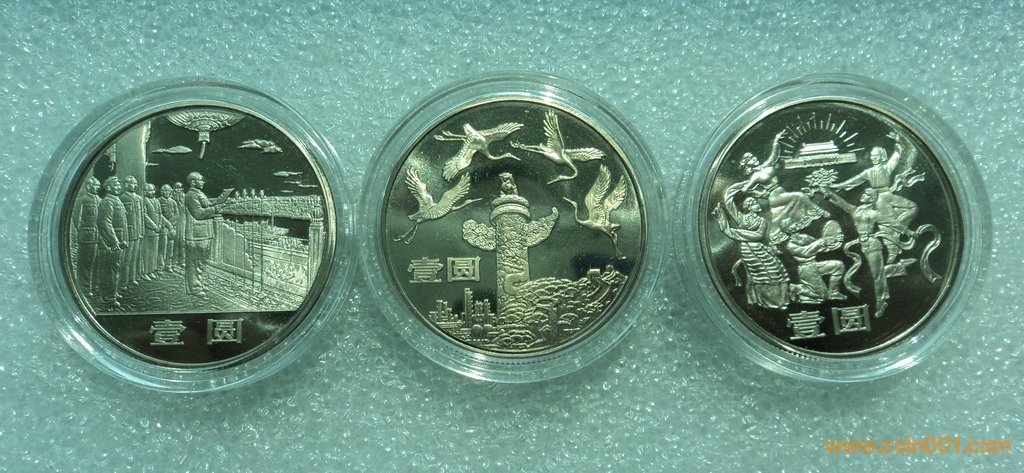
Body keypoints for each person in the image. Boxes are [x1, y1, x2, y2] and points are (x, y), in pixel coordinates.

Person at [833, 136, 919, 262]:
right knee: (885, 225)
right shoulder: (868, 172)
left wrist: (898, 141)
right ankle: (892, 251)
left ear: (882, 156)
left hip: (888, 194)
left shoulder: (887, 168)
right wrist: (836, 186)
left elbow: (896, 156)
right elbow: (853, 181)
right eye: (872, 155)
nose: (873, 158)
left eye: (876, 155)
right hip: (879, 198)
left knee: (913, 207)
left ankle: (899, 227)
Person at [739, 130, 827, 236]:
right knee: (799, 195)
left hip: (781, 192)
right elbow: (744, 190)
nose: (753, 159)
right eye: (750, 159)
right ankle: (821, 212)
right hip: (774, 196)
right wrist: (761, 194)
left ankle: (799, 224)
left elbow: (774, 156)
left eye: (753, 157)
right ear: (747, 164)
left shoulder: (766, 165)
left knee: (796, 200)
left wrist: (776, 141)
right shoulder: (755, 176)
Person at [713, 195, 790, 310]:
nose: (757, 204)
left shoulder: (762, 221)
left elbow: (759, 236)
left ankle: (781, 300)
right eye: (754, 203)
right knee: (760, 274)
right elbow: (729, 204)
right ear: (749, 207)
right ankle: (767, 302)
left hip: (759, 248)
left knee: (776, 269)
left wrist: (736, 232)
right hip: (748, 251)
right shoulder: (742, 218)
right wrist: (734, 190)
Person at [183, 172, 230, 296]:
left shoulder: (199, 193)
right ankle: (194, 288)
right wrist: (214, 209)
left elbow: (208, 206)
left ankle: (199, 284)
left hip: (203, 233)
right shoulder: (190, 195)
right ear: (193, 182)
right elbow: (198, 213)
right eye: (201, 180)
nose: (203, 182)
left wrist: (221, 199)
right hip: (196, 235)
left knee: (201, 261)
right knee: (194, 262)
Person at [782, 218, 846, 304]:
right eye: (792, 223)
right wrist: (822, 242)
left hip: (814, 264)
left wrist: (834, 242)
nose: (796, 224)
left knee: (838, 266)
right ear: (788, 229)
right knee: (821, 297)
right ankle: (796, 288)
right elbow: (806, 252)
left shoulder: (804, 237)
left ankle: (834, 293)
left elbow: (821, 247)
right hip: (806, 269)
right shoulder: (789, 245)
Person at [95, 177, 129, 308]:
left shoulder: (115, 200)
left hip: (118, 243)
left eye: (119, 185)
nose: (119, 187)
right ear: (109, 188)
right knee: (109, 270)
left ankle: (112, 292)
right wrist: (113, 242)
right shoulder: (107, 202)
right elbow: (104, 223)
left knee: (114, 269)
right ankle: (108, 298)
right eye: (116, 185)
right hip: (110, 244)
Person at [72, 177, 101, 296]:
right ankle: (84, 288)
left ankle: (94, 286)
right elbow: (76, 217)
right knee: (85, 263)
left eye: (98, 185)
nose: (97, 187)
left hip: (98, 236)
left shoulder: (99, 200)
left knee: (96, 262)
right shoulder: (83, 200)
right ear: (88, 186)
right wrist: (82, 230)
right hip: (86, 237)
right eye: (95, 185)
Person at [119, 175, 144, 288]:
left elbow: (141, 216)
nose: (134, 185)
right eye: (132, 183)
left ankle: (132, 278)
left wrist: (142, 231)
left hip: (137, 232)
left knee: (134, 258)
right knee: (126, 259)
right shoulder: (122, 198)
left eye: (135, 183)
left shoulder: (139, 199)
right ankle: (123, 282)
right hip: (128, 233)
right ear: (125, 185)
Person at [141, 183, 166, 280]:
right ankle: (145, 272)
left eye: (153, 190)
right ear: (145, 192)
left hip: (156, 231)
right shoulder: (144, 201)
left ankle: (151, 270)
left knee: (154, 252)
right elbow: (145, 216)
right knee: (147, 252)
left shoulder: (156, 201)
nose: (152, 192)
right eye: (149, 190)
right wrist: (154, 226)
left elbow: (160, 214)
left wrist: (159, 225)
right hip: (148, 231)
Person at [158, 184, 179, 271]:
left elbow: (177, 214)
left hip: (171, 228)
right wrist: (167, 223)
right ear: (161, 192)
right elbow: (159, 214)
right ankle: (160, 266)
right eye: (165, 190)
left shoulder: (173, 202)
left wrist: (171, 224)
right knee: (162, 248)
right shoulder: (158, 201)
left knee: (170, 247)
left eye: (168, 190)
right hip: (163, 227)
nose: (166, 192)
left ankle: (168, 265)